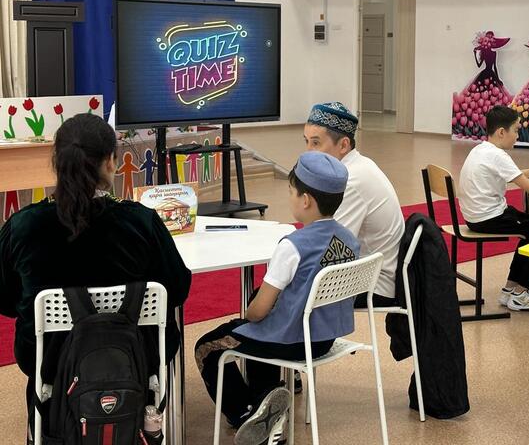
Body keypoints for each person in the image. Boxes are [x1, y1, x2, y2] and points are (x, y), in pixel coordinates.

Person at [0, 114, 192, 438]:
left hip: (49, 362)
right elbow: (177, 288)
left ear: (57, 162)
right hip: (136, 359)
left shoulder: (22, 226)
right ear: (111, 162)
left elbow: (5, 300)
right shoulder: (141, 222)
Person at [194, 151, 359, 443]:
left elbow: (258, 311)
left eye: (291, 191)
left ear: (305, 200)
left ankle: (245, 415)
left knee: (209, 345)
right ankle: (266, 400)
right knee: (261, 331)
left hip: (291, 342)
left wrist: (248, 315)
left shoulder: (293, 246)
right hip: (324, 338)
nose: (290, 197)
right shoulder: (350, 240)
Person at [459, 105, 529, 311]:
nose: (517, 135)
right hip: (488, 218)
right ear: (501, 132)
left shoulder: (481, 149)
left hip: (476, 216)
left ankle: (510, 289)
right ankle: (520, 294)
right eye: (516, 130)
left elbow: (510, 174)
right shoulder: (498, 156)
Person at [303, 102, 403, 307]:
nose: (308, 152)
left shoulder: (350, 181)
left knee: (280, 294)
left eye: (316, 143)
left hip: (374, 284)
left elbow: (332, 247)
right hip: (367, 271)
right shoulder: (358, 165)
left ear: (343, 145)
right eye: (306, 142)